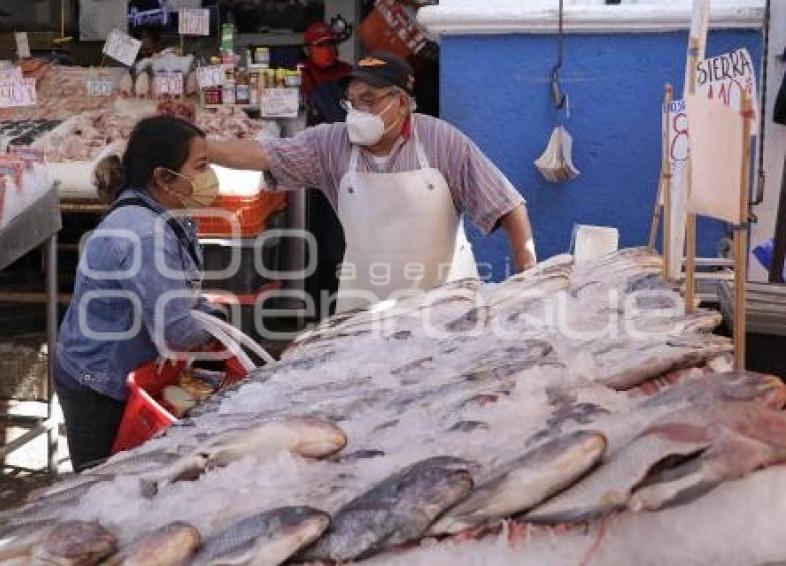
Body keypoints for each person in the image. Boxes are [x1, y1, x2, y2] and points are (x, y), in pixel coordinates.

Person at [207, 52, 536, 313]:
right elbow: (263, 155)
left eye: (369, 100)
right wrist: (201, 148)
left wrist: (527, 282)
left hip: (444, 305)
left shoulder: (442, 140)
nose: (356, 112)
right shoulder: (330, 143)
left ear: (402, 103)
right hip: (364, 308)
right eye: (351, 102)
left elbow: (507, 206)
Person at [55, 116, 221, 472]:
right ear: (163, 176)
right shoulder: (145, 234)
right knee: (102, 489)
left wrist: (204, 311)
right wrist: (217, 320)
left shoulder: (167, 213)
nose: (210, 177)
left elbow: (180, 297)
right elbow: (178, 331)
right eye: (202, 166)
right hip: (98, 382)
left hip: (128, 368)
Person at [300, 21, 353, 317]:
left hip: (347, 161)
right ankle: (318, 301)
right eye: (321, 45)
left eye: (331, 43)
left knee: (343, 232)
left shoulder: (348, 73)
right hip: (317, 164)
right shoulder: (302, 76)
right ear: (309, 50)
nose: (328, 50)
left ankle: (341, 300)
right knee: (319, 232)